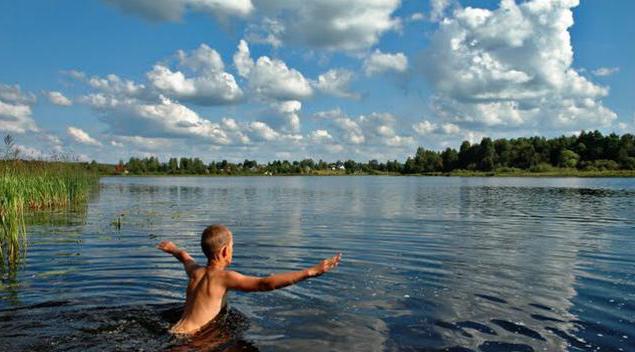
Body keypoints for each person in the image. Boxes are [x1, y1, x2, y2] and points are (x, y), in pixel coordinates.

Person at [157, 224, 342, 335]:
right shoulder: (224, 278)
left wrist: (172, 248)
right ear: (224, 251)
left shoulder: (195, 272)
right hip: (193, 339)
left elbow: (184, 257)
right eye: (232, 246)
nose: (233, 250)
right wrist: (310, 271)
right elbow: (264, 284)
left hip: (174, 330)